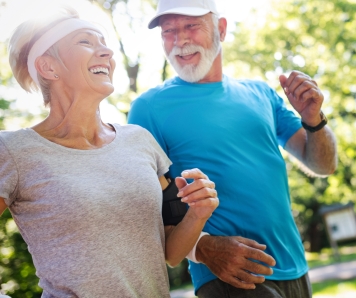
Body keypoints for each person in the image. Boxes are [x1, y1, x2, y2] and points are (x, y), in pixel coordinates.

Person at [1, 7, 219, 297]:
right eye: (86, 42)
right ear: (48, 66)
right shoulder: (14, 151)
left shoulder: (140, 141)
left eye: (104, 43)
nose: (106, 52)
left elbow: (170, 252)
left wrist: (198, 215)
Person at [128, 0, 338, 297]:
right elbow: (148, 215)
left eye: (191, 26)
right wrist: (204, 249)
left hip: (295, 268)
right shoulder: (148, 109)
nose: (181, 40)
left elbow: (323, 165)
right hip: (228, 276)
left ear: (221, 29)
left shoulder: (262, 94)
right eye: (169, 31)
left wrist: (313, 121)